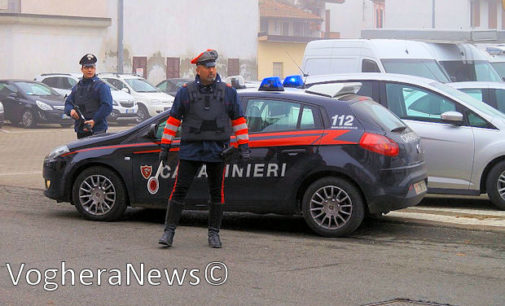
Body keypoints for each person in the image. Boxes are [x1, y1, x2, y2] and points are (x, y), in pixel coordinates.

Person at [158, 49, 250, 248]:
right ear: (197, 69)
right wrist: (165, 146)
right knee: (179, 190)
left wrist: (244, 147)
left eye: (214, 67)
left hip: (217, 149)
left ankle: (214, 234)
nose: (212, 70)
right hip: (191, 149)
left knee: (216, 193)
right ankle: (169, 232)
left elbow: (239, 121)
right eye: (207, 67)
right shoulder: (185, 92)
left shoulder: (228, 92)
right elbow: (173, 120)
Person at [64, 53, 112, 139]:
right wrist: (71, 111)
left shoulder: (101, 86)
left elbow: (107, 106)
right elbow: (68, 103)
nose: (89, 70)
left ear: (95, 69)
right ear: (82, 69)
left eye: (92, 67)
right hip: (81, 129)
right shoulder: (77, 87)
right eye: (86, 67)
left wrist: (94, 120)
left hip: (97, 130)